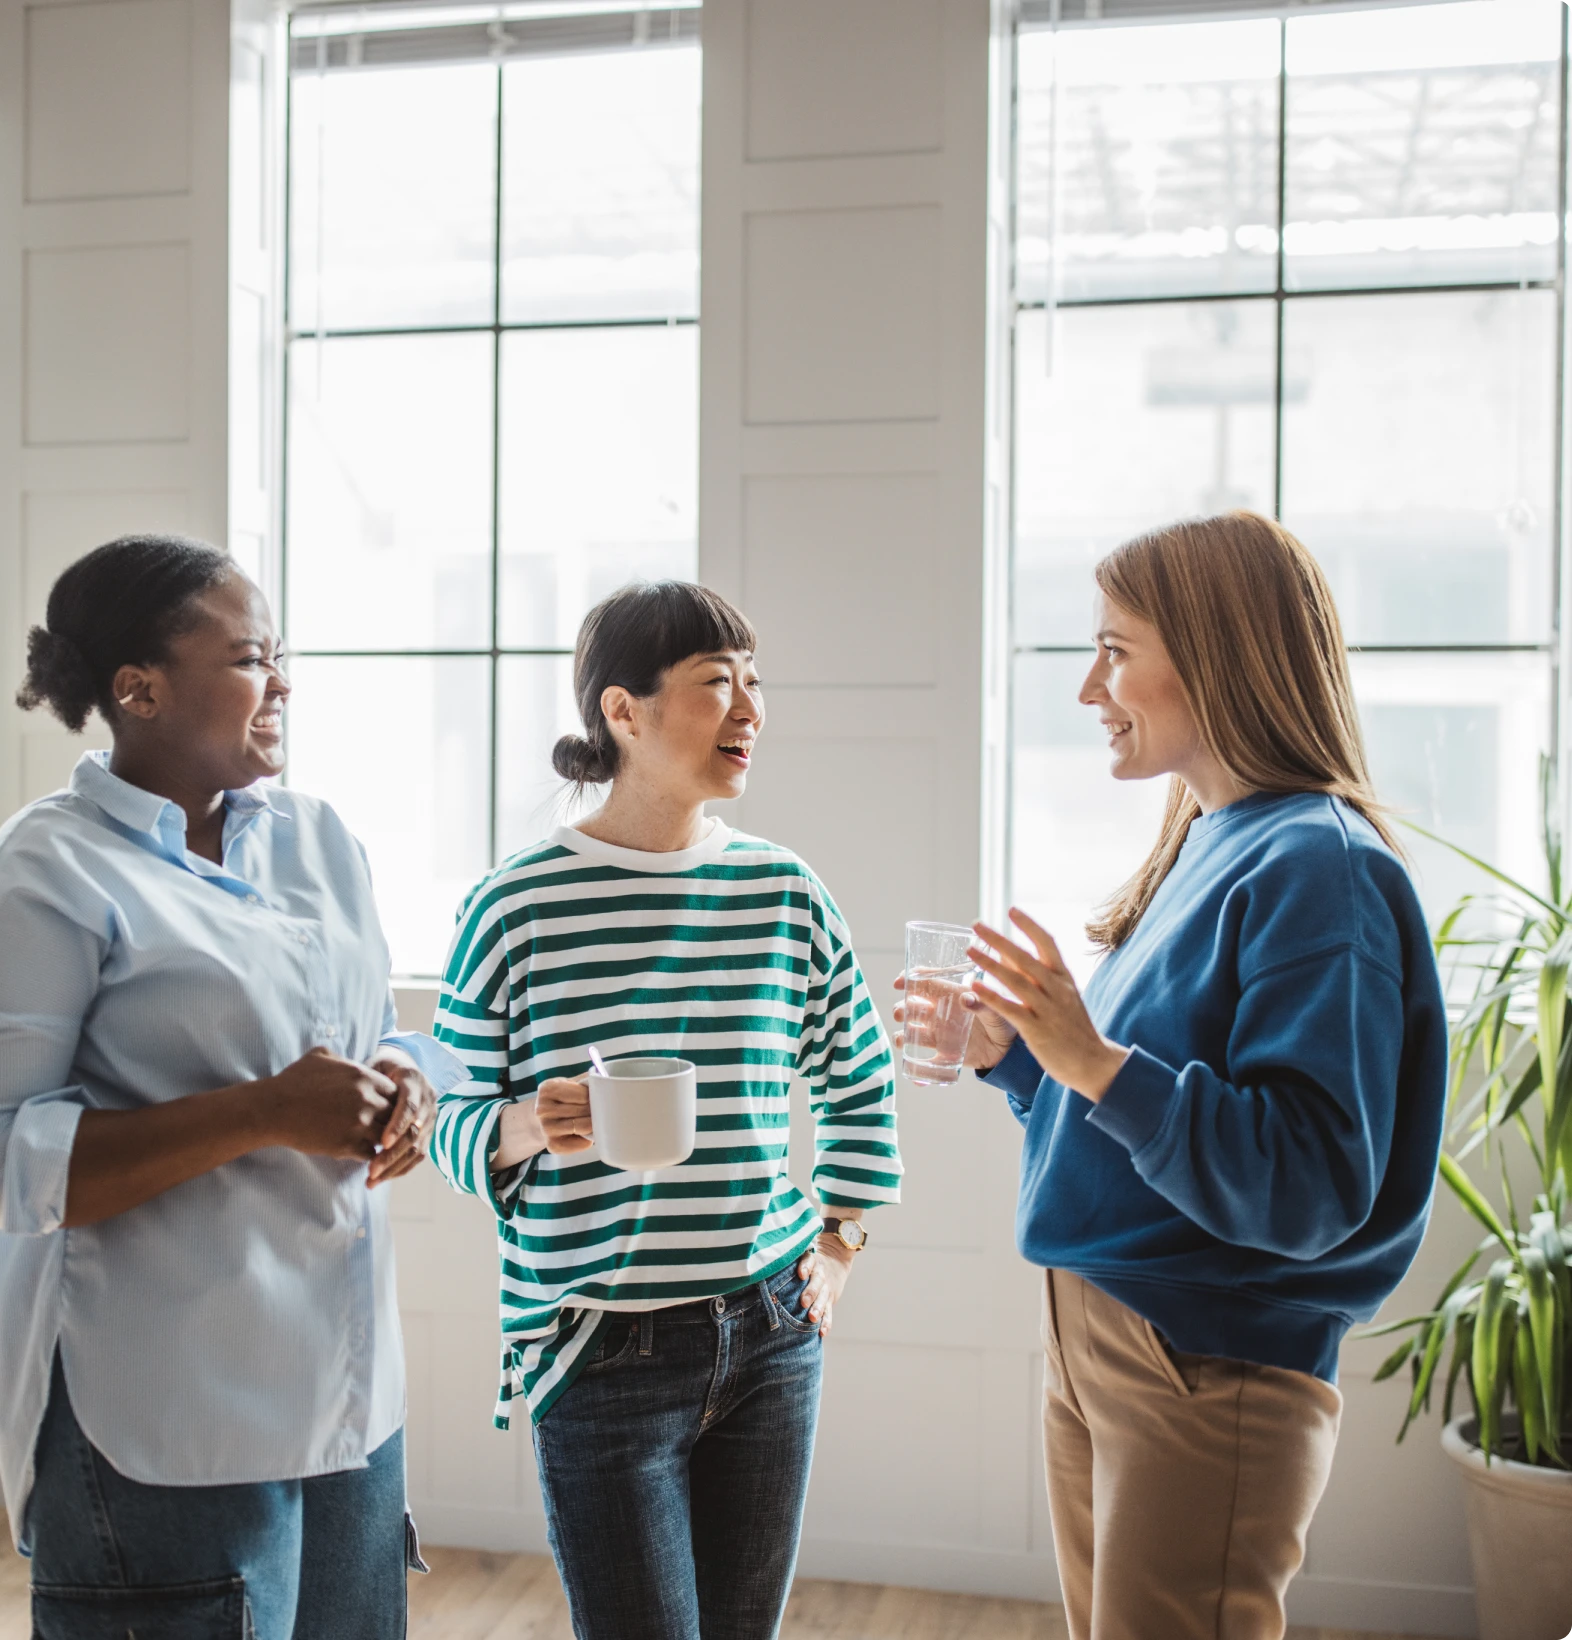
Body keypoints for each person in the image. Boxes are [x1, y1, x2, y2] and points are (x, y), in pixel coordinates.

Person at [906, 513, 1445, 1640]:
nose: (1088, 687)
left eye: (1114, 647)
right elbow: (1151, 1119)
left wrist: (1089, 1055)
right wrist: (1024, 1062)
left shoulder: (1319, 866)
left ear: (1215, 652)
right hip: (1107, 1330)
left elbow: (1303, 1181)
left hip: (1199, 1359)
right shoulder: (1216, 836)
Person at [0, 535, 463, 1640]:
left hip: (353, 1405)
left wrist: (409, 1076)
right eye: (254, 656)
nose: (284, 683)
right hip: (161, 1422)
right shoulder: (40, 875)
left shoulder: (319, 839)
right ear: (140, 688)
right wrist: (261, 1111)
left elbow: (373, 1036)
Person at [429, 580, 902, 1640]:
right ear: (621, 711)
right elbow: (443, 1114)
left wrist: (838, 1240)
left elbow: (858, 1072)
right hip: (597, 1345)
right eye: (714, 682)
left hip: (772, 1330)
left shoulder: (783, 891)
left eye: (753, 680)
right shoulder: (515, 903)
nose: (749, 707)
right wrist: (526, 1122)